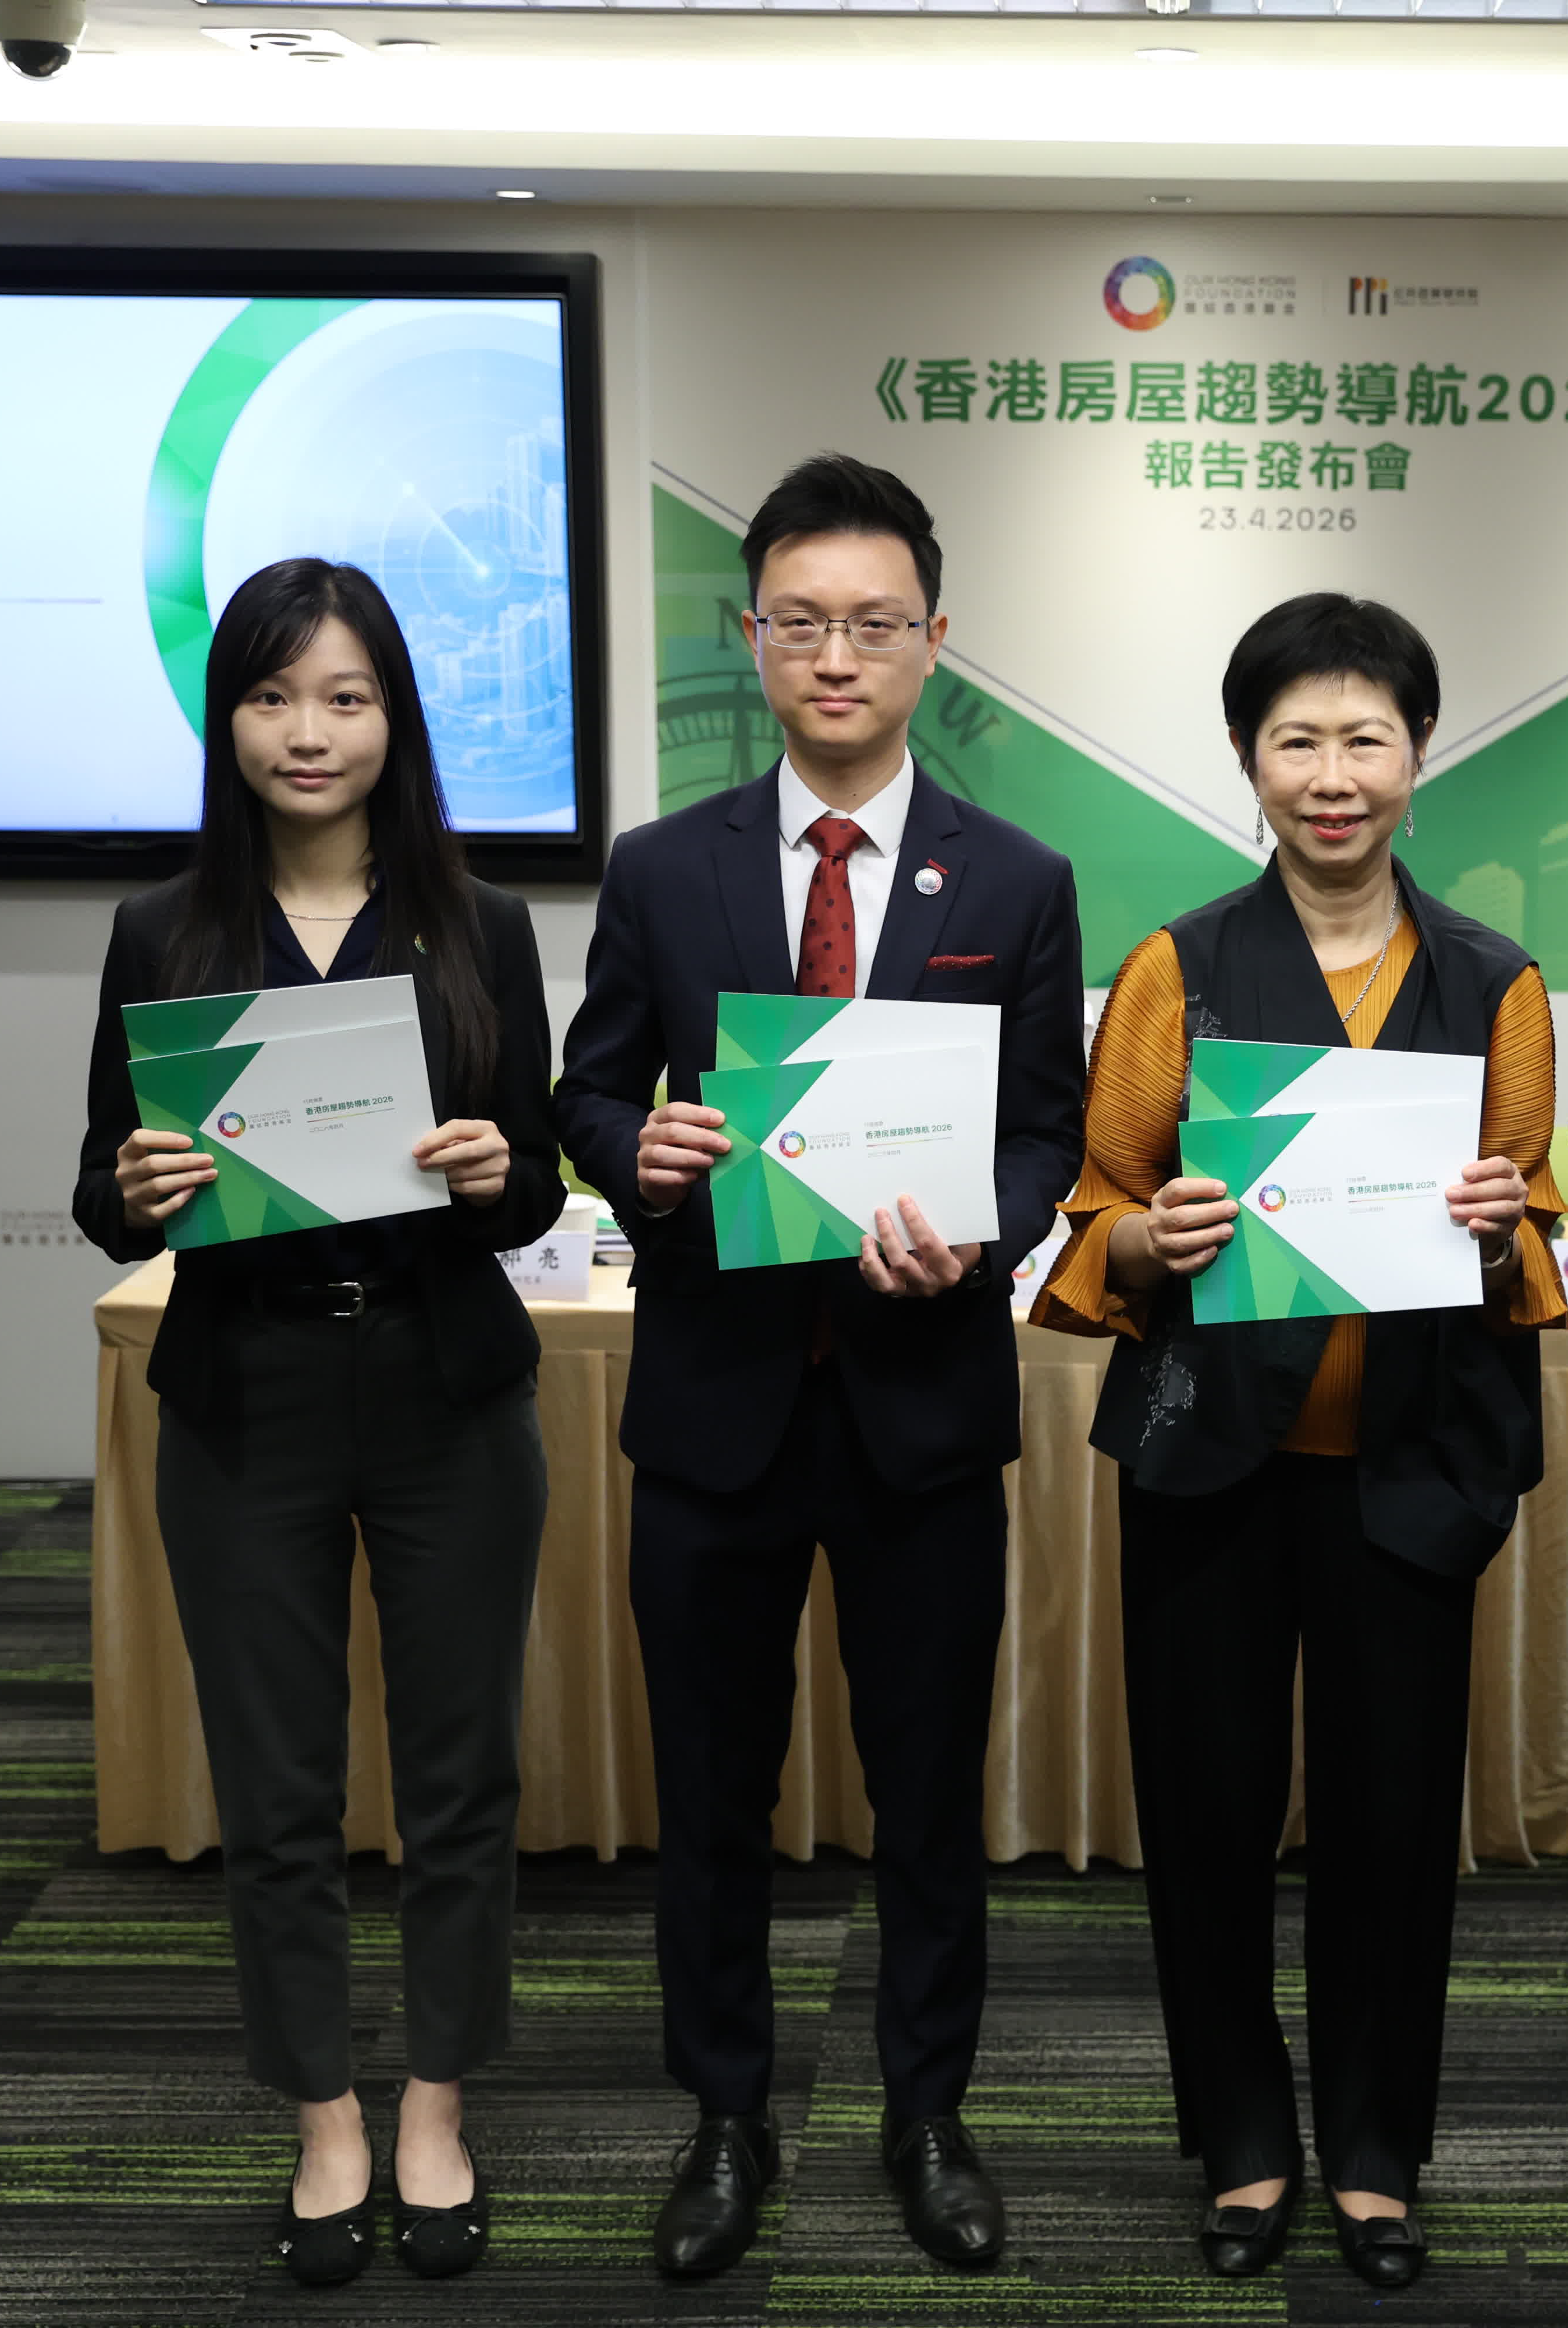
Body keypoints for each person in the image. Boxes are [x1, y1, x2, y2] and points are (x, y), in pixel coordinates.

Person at [552, 453, 1085, 2280]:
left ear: (936, 640)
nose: (836, 655)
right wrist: (637, 1152)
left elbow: (1045, 1130)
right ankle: (726, 2119)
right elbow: (589, 1089)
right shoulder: (663, 869)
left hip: (922, 1402)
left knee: (927, 1799)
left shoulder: (1017, 879)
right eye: (801, 622)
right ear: (753, 635)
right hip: (717, 1406)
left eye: (873, 623)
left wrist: (985, 1233)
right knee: (713, 1796)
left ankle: (929, 2116)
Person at [1034, 592, 1565, 2291]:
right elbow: (1100, 1216)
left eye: (1366, 739)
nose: (1334, 776)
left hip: (1408, 1463)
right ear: (1248, 760)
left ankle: (1379, 2151)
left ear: (1420, 754)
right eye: (1298, 741)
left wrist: (1498, 1225)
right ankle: (1245, 2140)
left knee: (1395, 1824)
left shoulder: (1496, 979)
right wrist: (1153, 1238)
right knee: (1206, 1812)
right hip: (1213, 1463)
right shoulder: (1177, 969)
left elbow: (1528, 1235)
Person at [73, 558, 563, 2288]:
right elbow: (103, 1198)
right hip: (249, 1394)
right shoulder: (165, 929)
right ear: (228, 722)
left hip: (446, 1388)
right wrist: (138, 1187)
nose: (309, 731)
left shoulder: (481, 923)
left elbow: (535, 1188)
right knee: (278, 1786)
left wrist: (500, 1171)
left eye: (346, 697)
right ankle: (324, 2119)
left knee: (460, 1776)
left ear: (395, 720)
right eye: (274, 696)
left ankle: (436, 2101)